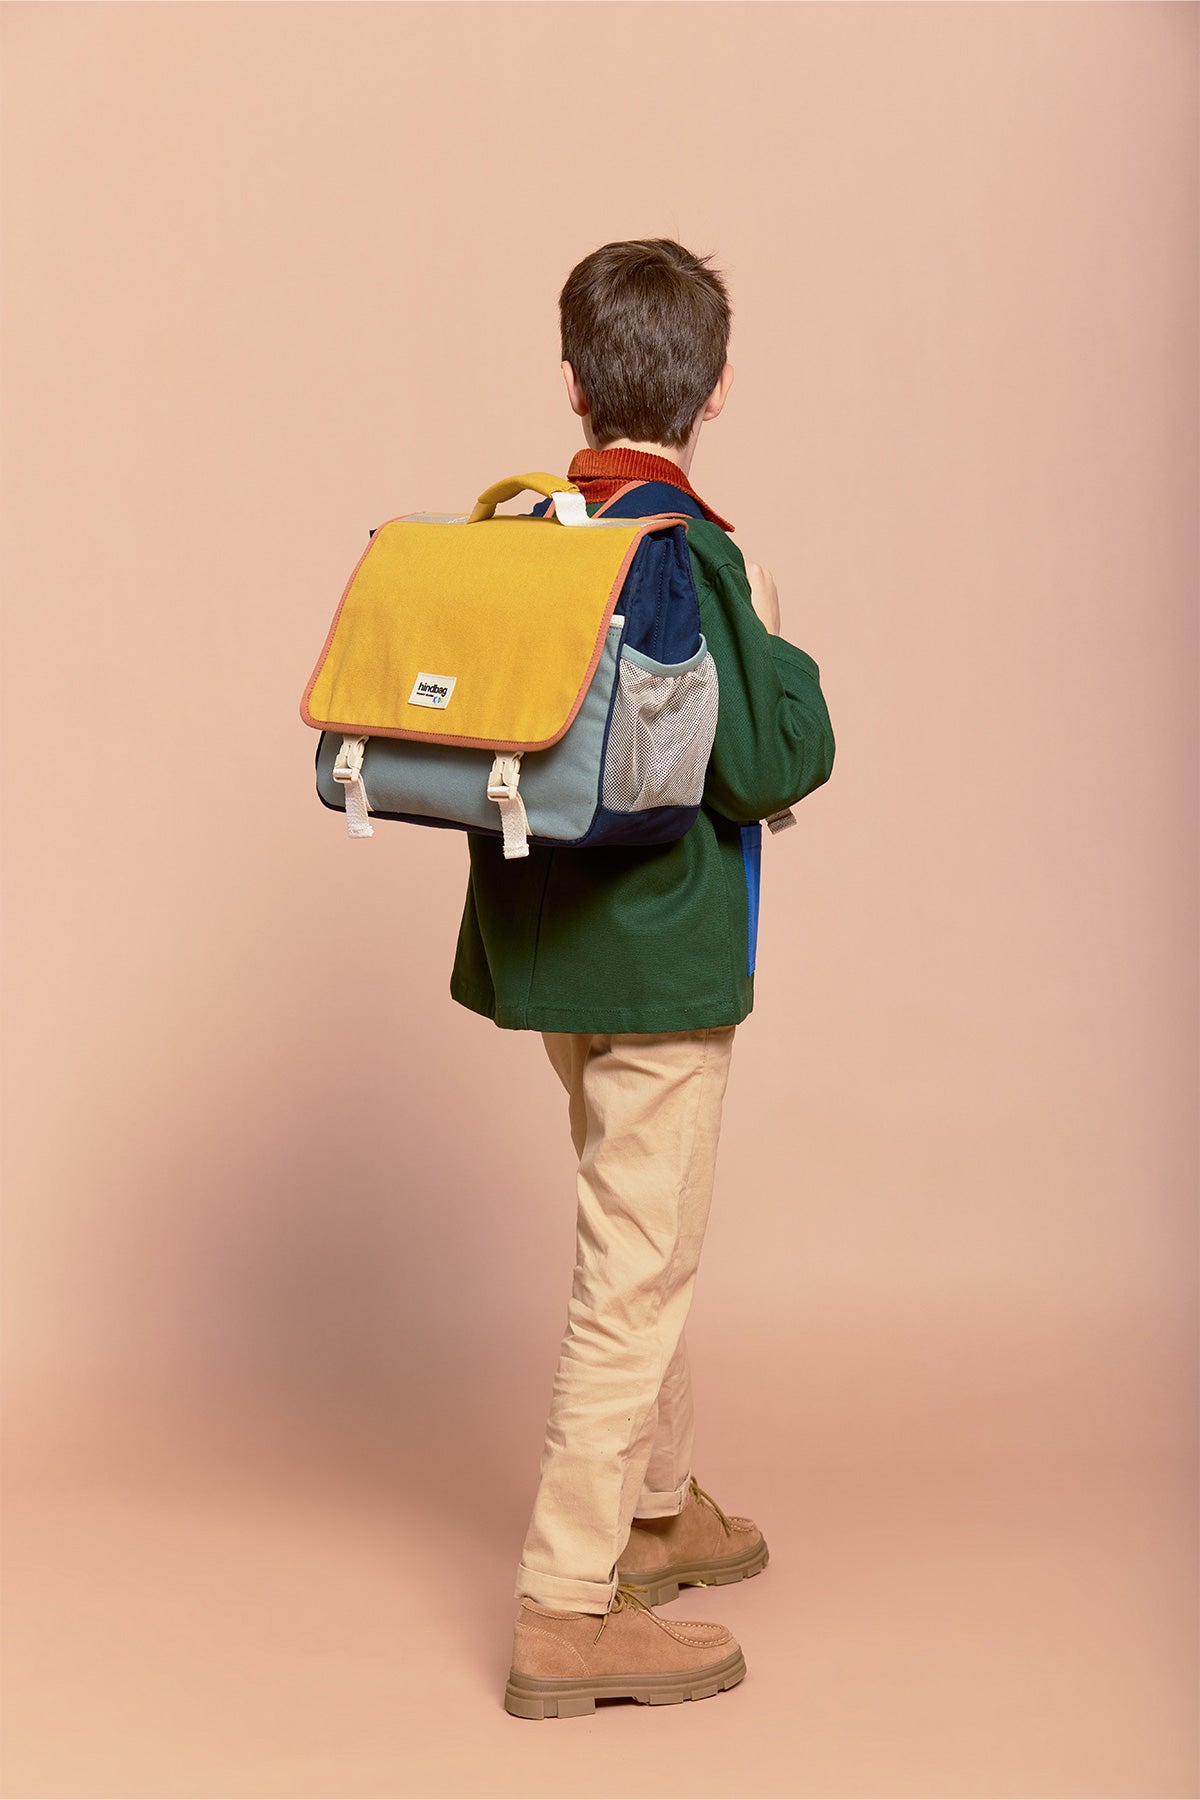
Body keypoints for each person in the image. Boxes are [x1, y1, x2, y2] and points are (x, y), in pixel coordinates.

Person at [448, 238, 836, 1719]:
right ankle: (566, 1605)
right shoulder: (699, 556)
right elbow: (771, 761)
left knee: (638, 1231)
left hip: (554, 952)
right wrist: (781, 646)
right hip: (665, 964)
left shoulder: (539, 532)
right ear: (716, 391)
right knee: (637, 1268)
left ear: (572, 383)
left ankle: (659, 1510)